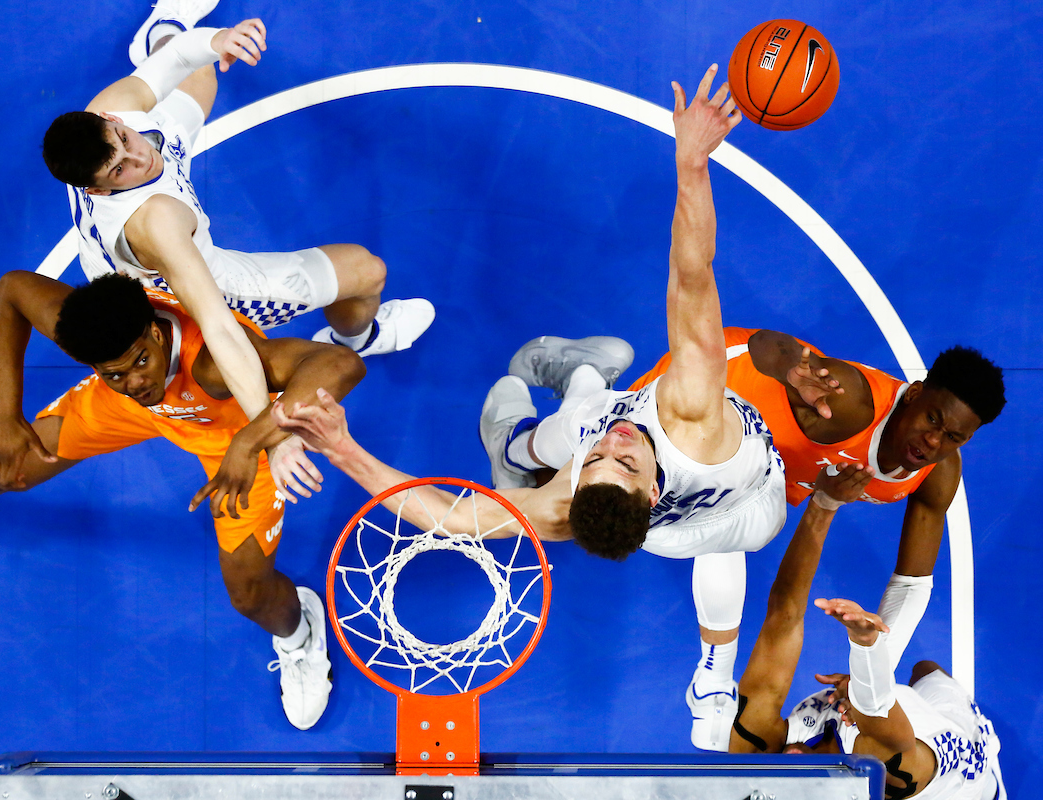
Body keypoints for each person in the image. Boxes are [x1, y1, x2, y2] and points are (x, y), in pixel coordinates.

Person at [273, 65, 788, 752]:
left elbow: (447, 517)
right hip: (750, 488)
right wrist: (692, 164)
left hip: (713, 514)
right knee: (613, 443)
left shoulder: (572, 498)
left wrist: (344, 450)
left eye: (603, 460)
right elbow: (690, 280)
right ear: (648, 491)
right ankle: (544, 419)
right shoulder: (687, 411)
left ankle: (527, 429)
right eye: (617, 459)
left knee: (589, 428)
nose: (615, 444)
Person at [0, 271, 365, 730]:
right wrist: (7, 415)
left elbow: (340, 362)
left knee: (249, 594)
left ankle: (299, 634)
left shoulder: (213, 362)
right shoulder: (100, 338)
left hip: (233, 438)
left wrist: (249, 443)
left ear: (156, 332)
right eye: (115, 372)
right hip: (129, 414)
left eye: (140, 362)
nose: (136, 382)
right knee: (9, 464)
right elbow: (13, 288)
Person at [42, 1, 434, 501]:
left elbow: (171, 64)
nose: (139, 155)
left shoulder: (111, 113)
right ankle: (357, 336)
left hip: (117, 265)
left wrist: (217, 39)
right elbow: (220, 327)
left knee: (198, 70)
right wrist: (271, 433)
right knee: (366, 271)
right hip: (190, 279)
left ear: (108, 122)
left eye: (124, 138)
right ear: (98, 189)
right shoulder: (158, 222)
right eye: (119, 168)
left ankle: (162, 27)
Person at [630, 328, 1006, 669]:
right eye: (933, 420)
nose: (934, 441)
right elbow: (765, 344)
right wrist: (792, 369)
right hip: (713, 389)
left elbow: (912, 583)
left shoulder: (936, 473)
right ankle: (596, 379)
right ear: (914, 394)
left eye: (953, 437)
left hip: (763, 462)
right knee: (610, 497)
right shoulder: (848, 401)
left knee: (725, 511)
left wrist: (872, 674)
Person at [731, 463, 1004, 800]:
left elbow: (783, 616)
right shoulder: (885, 769)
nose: (792, 768)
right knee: (921, 671)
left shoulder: (754, 752)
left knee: (923, 670)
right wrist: (864, 644)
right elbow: (876, 707)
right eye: (803, 783)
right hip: (965, 773)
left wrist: (823, 504)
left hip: (899, 727)